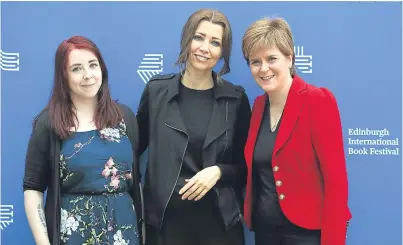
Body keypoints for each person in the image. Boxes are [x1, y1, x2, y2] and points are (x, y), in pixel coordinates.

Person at [136, 8, 251, 245]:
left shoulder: (236, 99)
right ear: (187, 39)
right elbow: (131, 151)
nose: (204, 48)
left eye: (215, 42)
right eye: (199, 37)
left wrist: (219, 171)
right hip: (166, 226)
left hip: (220, 226)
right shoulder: (157, 92)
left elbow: (247, 167)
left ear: (222, 52)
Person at [242, 18, 352, 245]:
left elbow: (336, 182)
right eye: (255, 61)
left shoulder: (317, 100)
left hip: (306, 234)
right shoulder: (258, 107)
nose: (264, 68)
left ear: (289, 58)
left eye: (271, 58)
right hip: (265, 233)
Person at [23, 36, 142, 245]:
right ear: (64, 77)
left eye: (93, 65)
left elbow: (136, 182)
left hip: (125, 232)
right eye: (76, 69)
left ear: (102, 69)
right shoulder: (48, 123)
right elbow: (33, 188)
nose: (88, 75)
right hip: (74, 235)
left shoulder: (125, 118)